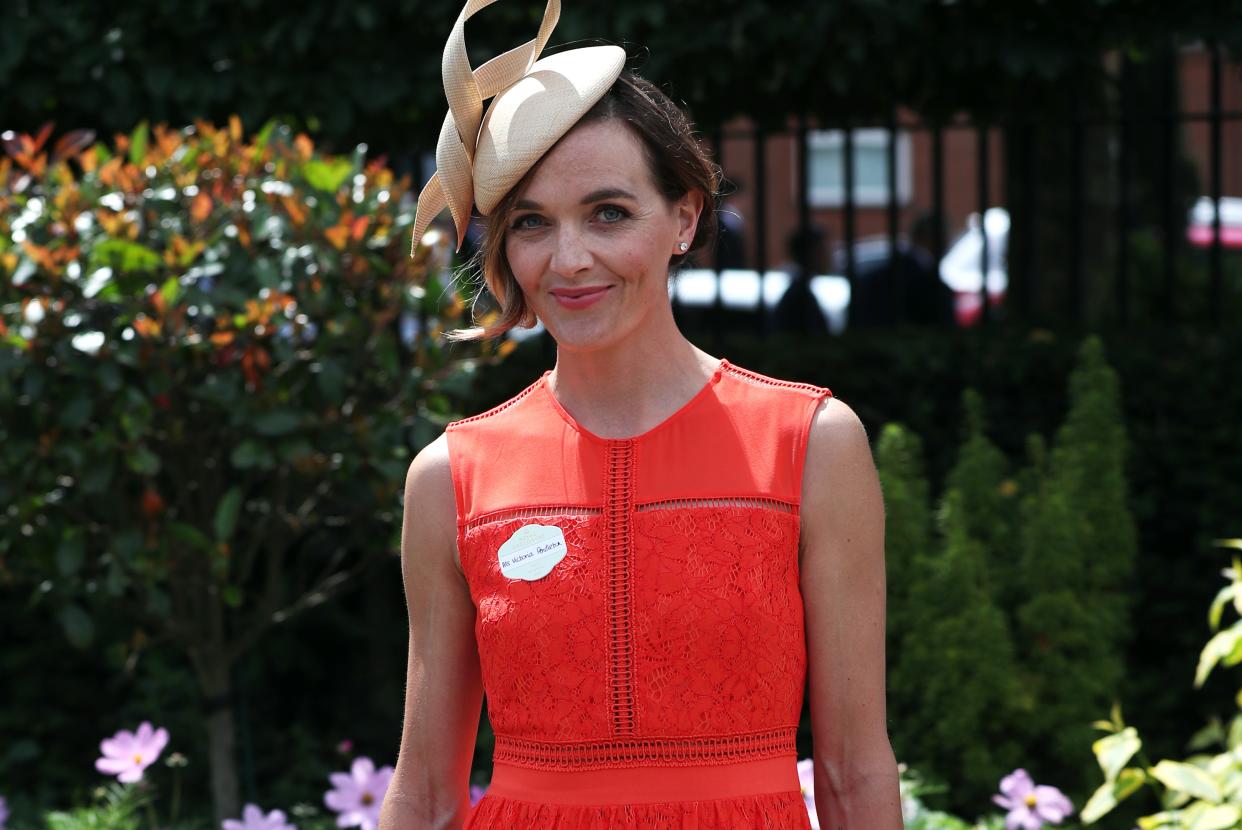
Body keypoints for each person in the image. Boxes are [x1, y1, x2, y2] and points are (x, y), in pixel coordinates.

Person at [379, 1, 901, 827]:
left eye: (609, 213)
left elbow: (852, 773)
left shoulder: (813, 446)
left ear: (685, 218)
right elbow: (428, 792)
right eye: (531, 224)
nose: (569, 258)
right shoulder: (449, 478)